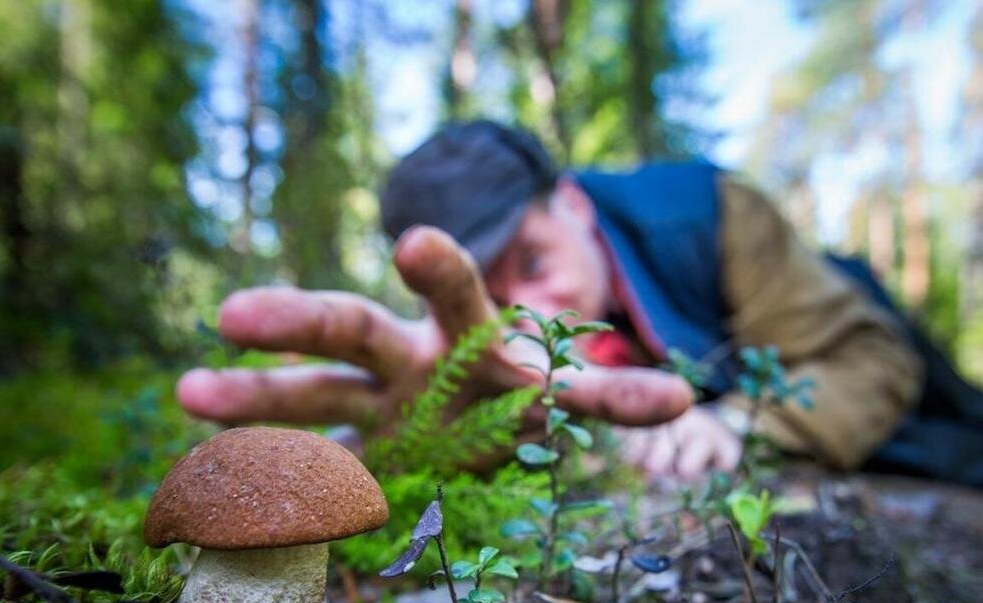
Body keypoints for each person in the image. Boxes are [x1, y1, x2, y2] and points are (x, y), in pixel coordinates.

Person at [177, 120, 983, 487]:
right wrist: (452, 434)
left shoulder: (709, 217)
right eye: (494, 295)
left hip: (935, 436)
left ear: (570, 200)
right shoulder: (517, 347)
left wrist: (738, 421)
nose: (533, 306)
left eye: (530, 259)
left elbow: (873, 359)